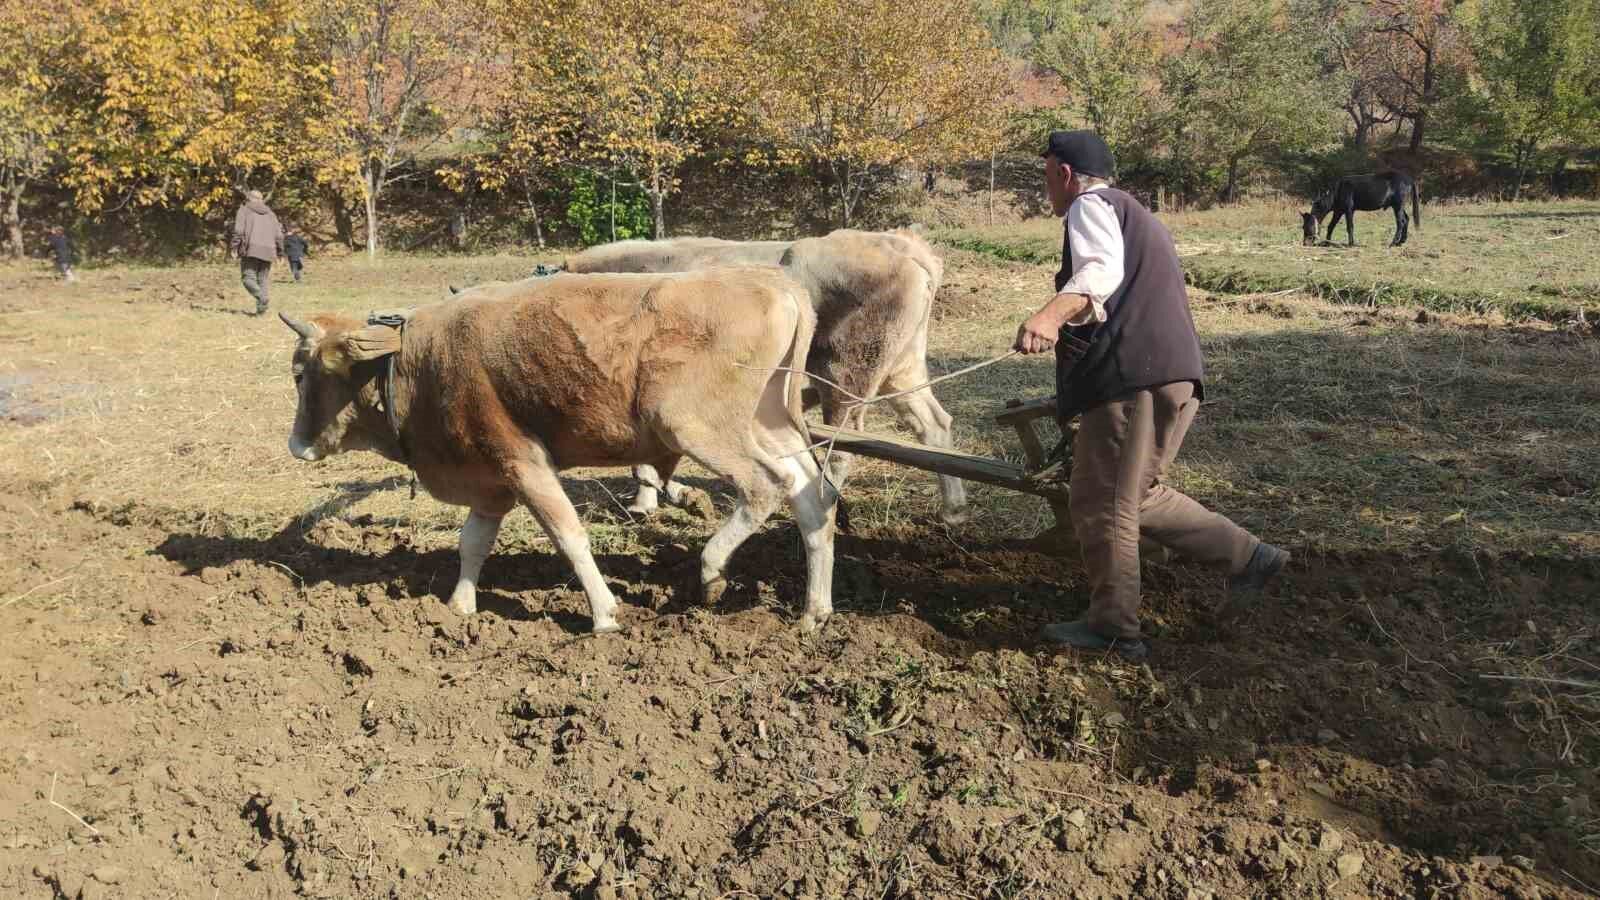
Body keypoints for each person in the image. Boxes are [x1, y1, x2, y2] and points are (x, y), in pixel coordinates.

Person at [1014, 130, 1289, 660]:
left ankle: (1114, 629)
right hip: (1174, 375)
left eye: (1047, 175)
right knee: (1135, 493)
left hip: (1131, 377)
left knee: (1100, 498)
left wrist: (1048, 317)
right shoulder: (1137, 215)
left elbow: (1100, 272)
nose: (1046, 187)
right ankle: (1250, 558)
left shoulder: (1090, 206)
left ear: (1065, 174)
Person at [230, 190, 284, 315]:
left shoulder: (244, 210)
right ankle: (261, 312)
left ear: (249, 198)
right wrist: (281, 252)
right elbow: (279, 235)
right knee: (262, 280)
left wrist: (234, 247)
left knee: (247, 278)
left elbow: (238, 231)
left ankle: (261, 297)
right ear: (261, 199)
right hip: (269, 250)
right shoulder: (271, 213)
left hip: (251, 249)